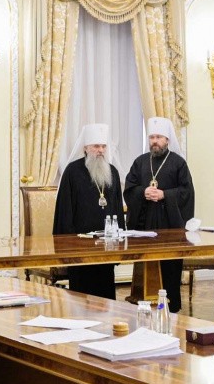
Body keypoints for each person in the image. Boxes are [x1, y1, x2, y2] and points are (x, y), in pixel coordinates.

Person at [124, 117, 194, 311]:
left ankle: (171, 307)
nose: (154, 141)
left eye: (158, 137)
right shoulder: (140, 162)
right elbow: (129, 189)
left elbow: (187, 192)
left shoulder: (178, 163)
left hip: (169, 226)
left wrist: (165, 195)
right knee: (146, 266)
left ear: (167, 140)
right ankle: (144, 304)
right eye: (152, 137)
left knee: (170, 267)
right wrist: (143, 192)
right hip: (145, 224)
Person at [54, 123, 124, 300]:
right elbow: (65, 211)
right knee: (81, 300)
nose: (100, 150)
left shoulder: (112, 172)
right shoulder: (72, 171)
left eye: (103, 146)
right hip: (80, 247)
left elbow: (117, 208)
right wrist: (68, 245)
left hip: (107, 246)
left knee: (106, 299)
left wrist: (119, 241)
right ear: (85, 148)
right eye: (96, 146)